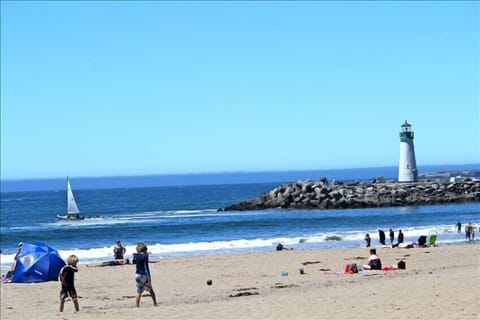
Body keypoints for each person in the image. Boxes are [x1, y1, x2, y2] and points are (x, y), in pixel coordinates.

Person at [135, 242, 157, 307]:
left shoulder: (137, 256)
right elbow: (146, 267)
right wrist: (149, 276)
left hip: (137, 274)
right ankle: (155, 303)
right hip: (144, 274)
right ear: (144, 250)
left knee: (139, 291)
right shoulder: (145, 256)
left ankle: (137, 306)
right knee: (150, 289)